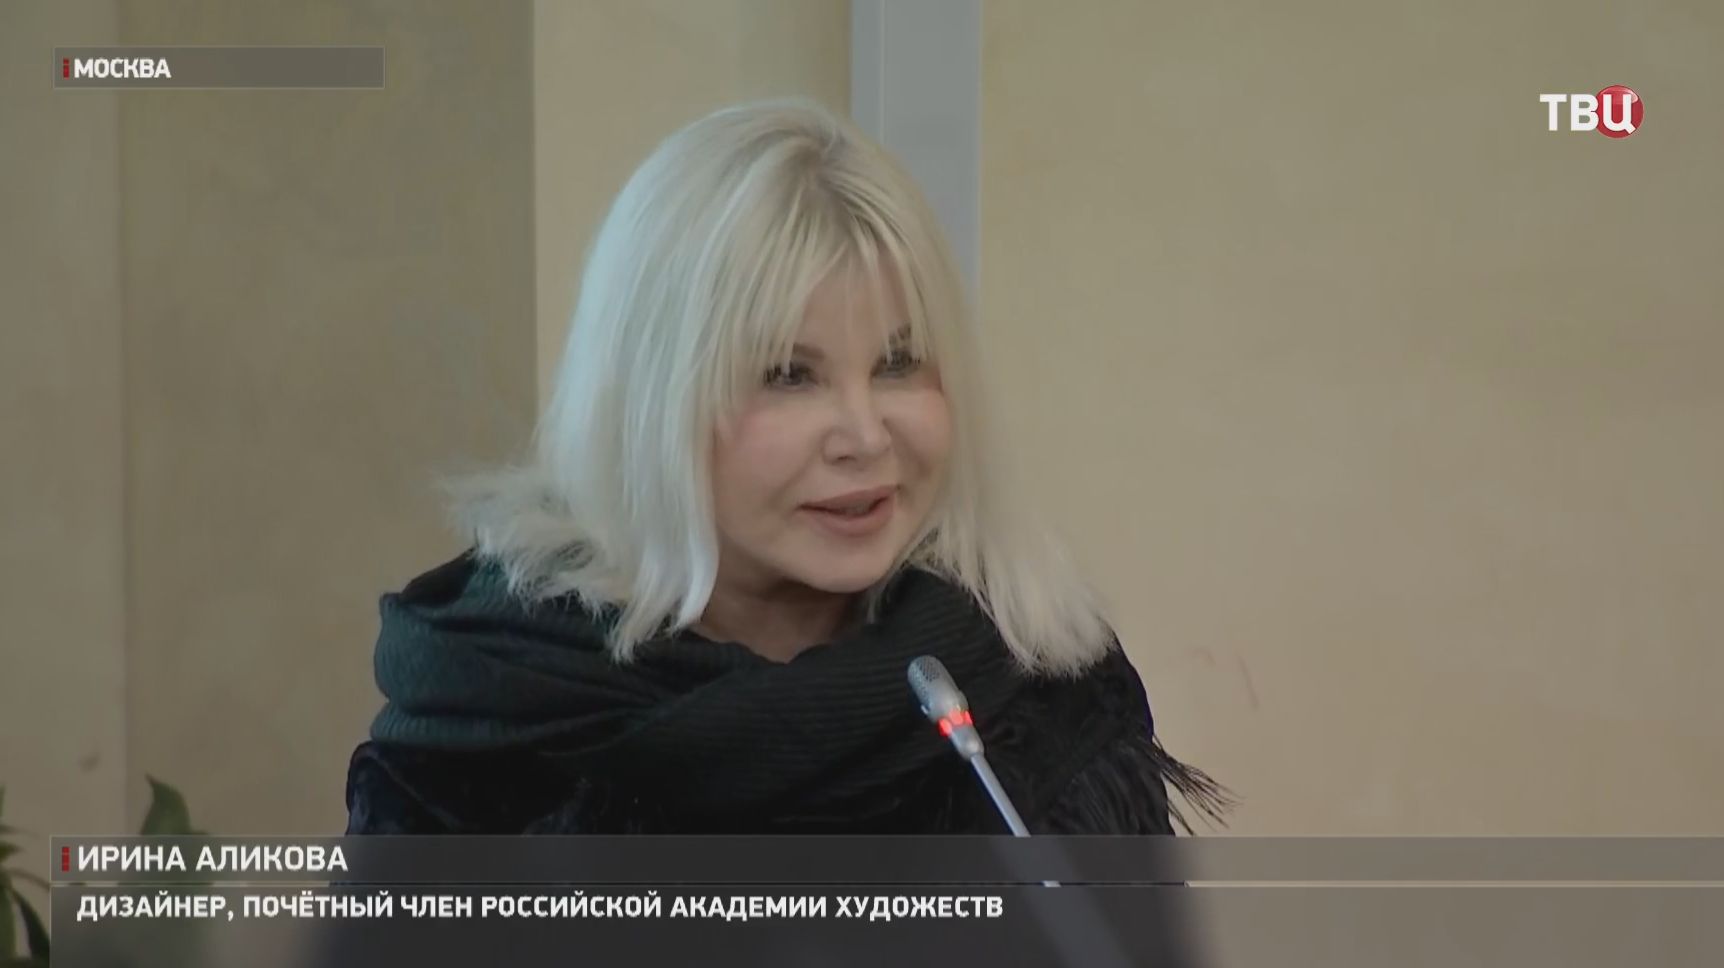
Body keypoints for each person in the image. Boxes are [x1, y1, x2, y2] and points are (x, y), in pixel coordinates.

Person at [344, 98, 1228, 836]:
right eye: (789, 375)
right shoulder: (486, 716)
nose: (864, 437)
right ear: (650, 407)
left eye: (898, 364)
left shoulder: (1039, 691)